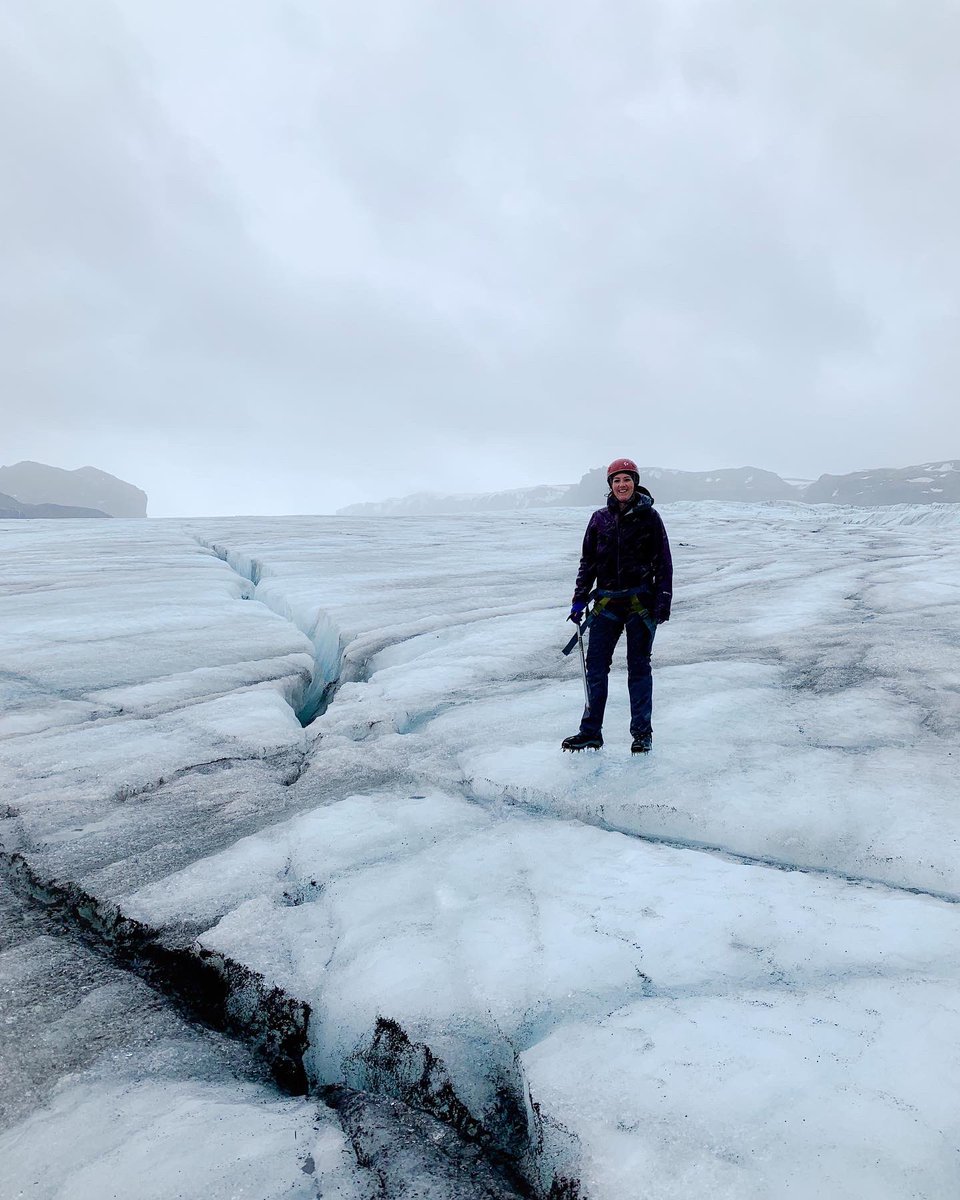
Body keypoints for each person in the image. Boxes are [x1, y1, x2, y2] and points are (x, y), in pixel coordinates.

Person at [562, 457, 673, 754]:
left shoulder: (650, 517)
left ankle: (641, 734)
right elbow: (588, 562)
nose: (622, 485)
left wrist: (663, 600)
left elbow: (663, 561)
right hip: (607, 603)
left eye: (627, 479)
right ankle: (590, 732)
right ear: (610, 486)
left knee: (638, 668)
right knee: (595, 668)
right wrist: (579, 598)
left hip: (641, 604)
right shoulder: (599, 519)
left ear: (635, 482)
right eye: (616, 480)